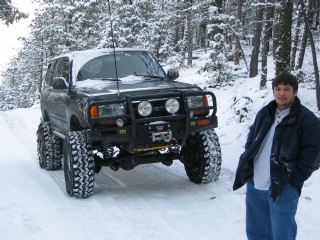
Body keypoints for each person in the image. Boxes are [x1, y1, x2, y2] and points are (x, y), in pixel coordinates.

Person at [233, 72, 320, 240]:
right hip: (256, 182)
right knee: (255, 232)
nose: (281, 93)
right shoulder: (265, 113)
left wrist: (294, 180)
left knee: (282, 234)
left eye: (287, 89)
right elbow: (252, 138)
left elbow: (314, 154)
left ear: (295, 92)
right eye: (278, 89)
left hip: (283, 186)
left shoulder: (307, 120)